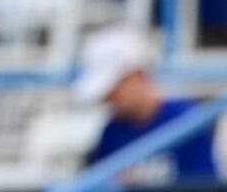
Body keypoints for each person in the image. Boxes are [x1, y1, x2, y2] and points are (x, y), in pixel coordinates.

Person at [75, 26, 217, 186]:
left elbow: (204, 183)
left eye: (114, 90)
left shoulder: (186, 121)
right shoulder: (112, 132)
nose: (109, 100)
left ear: (136, 75)